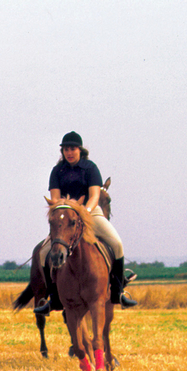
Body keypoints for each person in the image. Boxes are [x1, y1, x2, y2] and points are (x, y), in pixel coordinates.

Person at [33, 132, 136, 315]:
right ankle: (54, 297)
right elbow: (55, 198)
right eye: (66, 149)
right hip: (65, 217)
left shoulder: (90, 168)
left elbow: (95, 195)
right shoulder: (57, 171)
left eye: (72, 148)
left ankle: (119, 293)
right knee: (43, 253)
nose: (69, 152)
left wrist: (84, 213)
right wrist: (64, 211)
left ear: (80, 149)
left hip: (90, 212)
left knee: (117, 244)